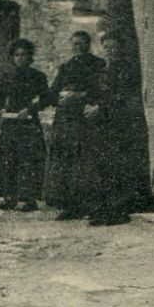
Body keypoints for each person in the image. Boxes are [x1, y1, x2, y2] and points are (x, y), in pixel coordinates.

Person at [80, 29, 154, 226]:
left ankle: (117, 210)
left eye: (114, 47)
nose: (110, 51)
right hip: (104, 123)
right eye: (106, 47)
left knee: (118, 165)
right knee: (104, 165)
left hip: (122, 123)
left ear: (121, 49)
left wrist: (100, 108)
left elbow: (124, 96)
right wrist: (89, 105)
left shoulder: (127, 69)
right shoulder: (104, 70)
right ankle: (104, 208)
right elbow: (95, 92)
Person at [43, 30, 104, 219]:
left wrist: (81, 96)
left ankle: (89, 203)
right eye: (75, 44)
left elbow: (100, 90)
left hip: (85, 119)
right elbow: (53, 91)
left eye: (82, 43)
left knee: (85, 160)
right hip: (66, 119)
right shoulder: (66, 66)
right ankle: (69, 205)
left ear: (89, 44)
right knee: (66, 161)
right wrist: (58, 98)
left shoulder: (98, 65)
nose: (78, 47)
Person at [0, 38, 50, 211]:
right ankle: (9, 196)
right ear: (12, 57)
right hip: (11, 122)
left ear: (31, 57)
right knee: (9, 158)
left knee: (29, 159)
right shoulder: (7, 76)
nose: (21, 58)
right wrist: (0, 110)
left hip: (29, 122)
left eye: (25, 55)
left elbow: (45, 99)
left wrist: (30, 110)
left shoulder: (38, 76)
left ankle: (29, 199)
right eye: (17, 55)